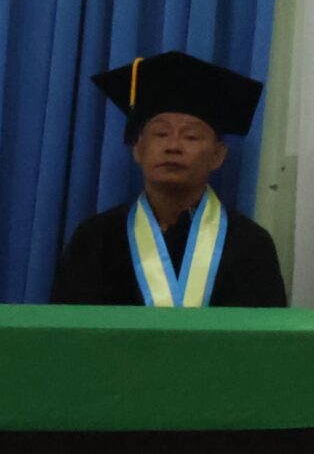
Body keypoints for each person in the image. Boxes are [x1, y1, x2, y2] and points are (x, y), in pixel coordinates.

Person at [50, 52, 287, 307]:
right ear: (137, 148)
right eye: (161, 134)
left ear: (218, 155)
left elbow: (263, 331)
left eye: (191, 137)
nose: (173, 146)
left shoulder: (249, 245)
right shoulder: (95, 240)